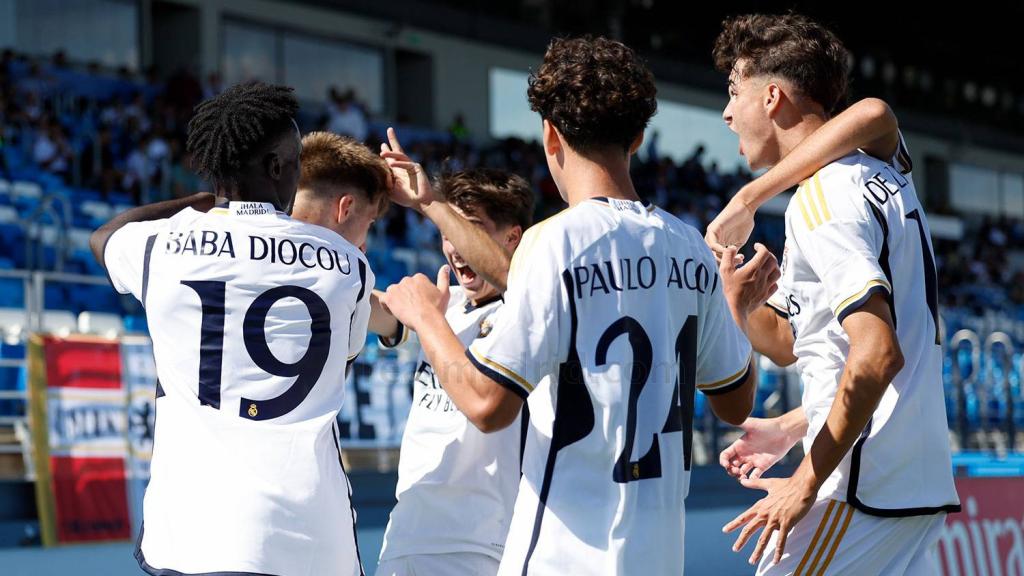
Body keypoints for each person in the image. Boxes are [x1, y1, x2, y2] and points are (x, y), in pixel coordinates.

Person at [379, 36, 774, 574]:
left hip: (561, 556)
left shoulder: (552, 241)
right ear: (637, 138)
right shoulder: (691, 249)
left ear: (550, 134)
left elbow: (488, 406)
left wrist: (427, 317)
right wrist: (734, 306)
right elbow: (734, 404)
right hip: (658, 557)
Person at [711, 13, 960, 574]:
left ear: (772, 96)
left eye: (734, 91)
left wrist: (805, 480)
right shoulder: (877, 173)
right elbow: (792, 345)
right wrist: (791, 424)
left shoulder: (822, 197)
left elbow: (877, 354)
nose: (726, 113)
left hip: (859, 489)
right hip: (904, 487)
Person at [90, 81, 371, 576]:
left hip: (196, 531)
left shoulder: (162, 244)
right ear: (278, 168)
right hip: (311, 535)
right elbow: (341, 361)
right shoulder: (349, 265)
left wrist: (203, 202)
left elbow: (105, 237)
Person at [375, 168, 534, 576]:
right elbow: (370, 310)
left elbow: (485, 410)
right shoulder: (445, 304)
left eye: (470, 228)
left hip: (480, 546)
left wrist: (428, 318)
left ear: (511, 238)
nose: (455, 246)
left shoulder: (529, 310)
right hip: (404, 536)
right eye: (448, 231)